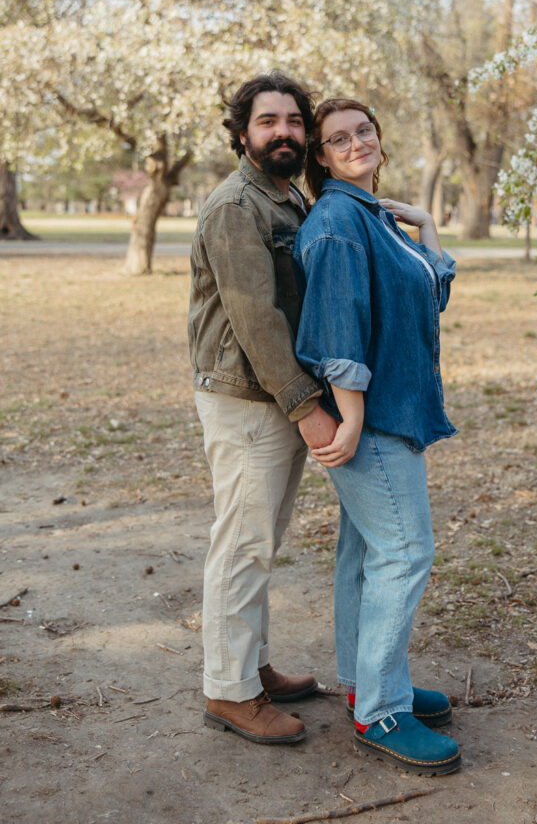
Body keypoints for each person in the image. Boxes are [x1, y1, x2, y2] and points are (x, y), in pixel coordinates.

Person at [293, 98, 461, 774]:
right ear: (321, 156)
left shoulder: (375, 216)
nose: (355, 141)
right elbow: (336, 327)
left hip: (394, 408)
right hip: (376, 418)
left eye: (363, 131)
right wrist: (352, 413)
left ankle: (368, 681)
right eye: (338, 138)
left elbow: (427, 295)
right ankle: (380, 711)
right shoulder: (336, 222)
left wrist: (425, 230)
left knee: (366, 554)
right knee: (403, 552)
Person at [188, 71, 337, 745]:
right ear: (242, 132)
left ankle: (250, 666)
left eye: (294, 121)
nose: (284, 132)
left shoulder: (289, 196)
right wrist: (306, 404)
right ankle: (228, 690)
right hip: (250, 399)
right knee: (243, 544)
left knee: (260, 539)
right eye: (268, 121)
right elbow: (256, 320)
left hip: (279, 393)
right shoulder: (233, 206)